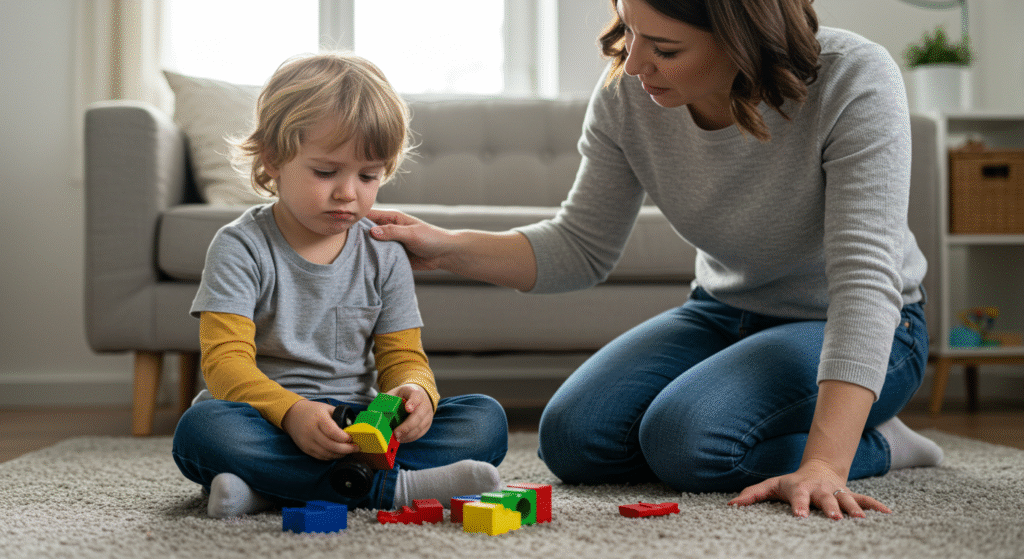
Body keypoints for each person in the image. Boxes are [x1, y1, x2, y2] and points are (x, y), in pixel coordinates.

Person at [368, 0, 944, 520]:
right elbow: (580, 246)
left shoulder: (854, 78)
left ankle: (876, 441)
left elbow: (865, 283)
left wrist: (825, 464)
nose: (635, 62)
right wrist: (443, 246)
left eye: (665, 48)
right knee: (573, 439)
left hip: (866, 325)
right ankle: (803, 425)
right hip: (723, 311)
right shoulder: (629, 94)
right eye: (628, 29)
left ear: (744, 40)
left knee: (687, 441)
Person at [171, 53, 508, 519]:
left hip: (362, 427)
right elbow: (225, 365)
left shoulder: (383, 251)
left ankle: (270, 491)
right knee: (202, 430)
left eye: (369, 175)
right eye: (326, 172)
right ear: (273, 158)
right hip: (270, 420)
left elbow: (403, 357)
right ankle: (391, 490)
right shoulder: (239, 247)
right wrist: (292, 412)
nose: (348, 192)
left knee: (484, 420)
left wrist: (416, 393)